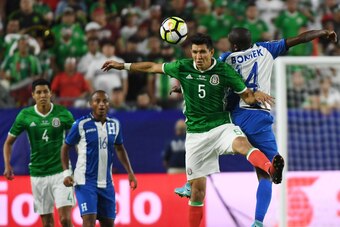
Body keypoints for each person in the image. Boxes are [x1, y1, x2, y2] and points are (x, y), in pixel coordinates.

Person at [101, 33, 283, 227]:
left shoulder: (224, 70)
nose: (198, 56)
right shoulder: (182, 67)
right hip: (196, 135)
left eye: (202, 52)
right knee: (197, 192)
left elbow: (246, 96)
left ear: (211, 52)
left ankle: (271, 169)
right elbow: (151, 67)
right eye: (195, 52)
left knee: (242, 144)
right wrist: (123, 66)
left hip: (221, 125)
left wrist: (257, 94)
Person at [175, 27, 337, 227]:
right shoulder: (267, 49)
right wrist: (321, 32)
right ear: (251, 41)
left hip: (233, 118)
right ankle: (258, 222)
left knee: (208, 140)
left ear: (233, 45)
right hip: (260, 119)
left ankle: (191, 182)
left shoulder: (225, 58)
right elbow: (298, 39)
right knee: (266, 174)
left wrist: (180, 86)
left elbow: (204, 75)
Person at [3, 78, 75, 227]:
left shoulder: (62, 113)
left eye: (45, 92)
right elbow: (8, 143)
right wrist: (7, 165)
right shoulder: (25, 115)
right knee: (47, 223)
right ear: (33, 95)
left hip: (61, 172)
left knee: (65, 220)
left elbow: (78, 136)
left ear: (51, 94)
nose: (42, 95)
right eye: (39, 92)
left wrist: (82, 161)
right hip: (38, 173)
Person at [61, 90, 137, 227]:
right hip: (85, 182)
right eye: (97, 101)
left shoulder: (115, 124)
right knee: (89, 221)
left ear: (109, 104)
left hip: (107, 183)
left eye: (105, 101)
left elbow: (119, 148)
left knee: (108, 223)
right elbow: (65, 147)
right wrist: (67, 173)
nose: (101, 104)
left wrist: (130, 172)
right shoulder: (81, 124)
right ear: (91, 104)